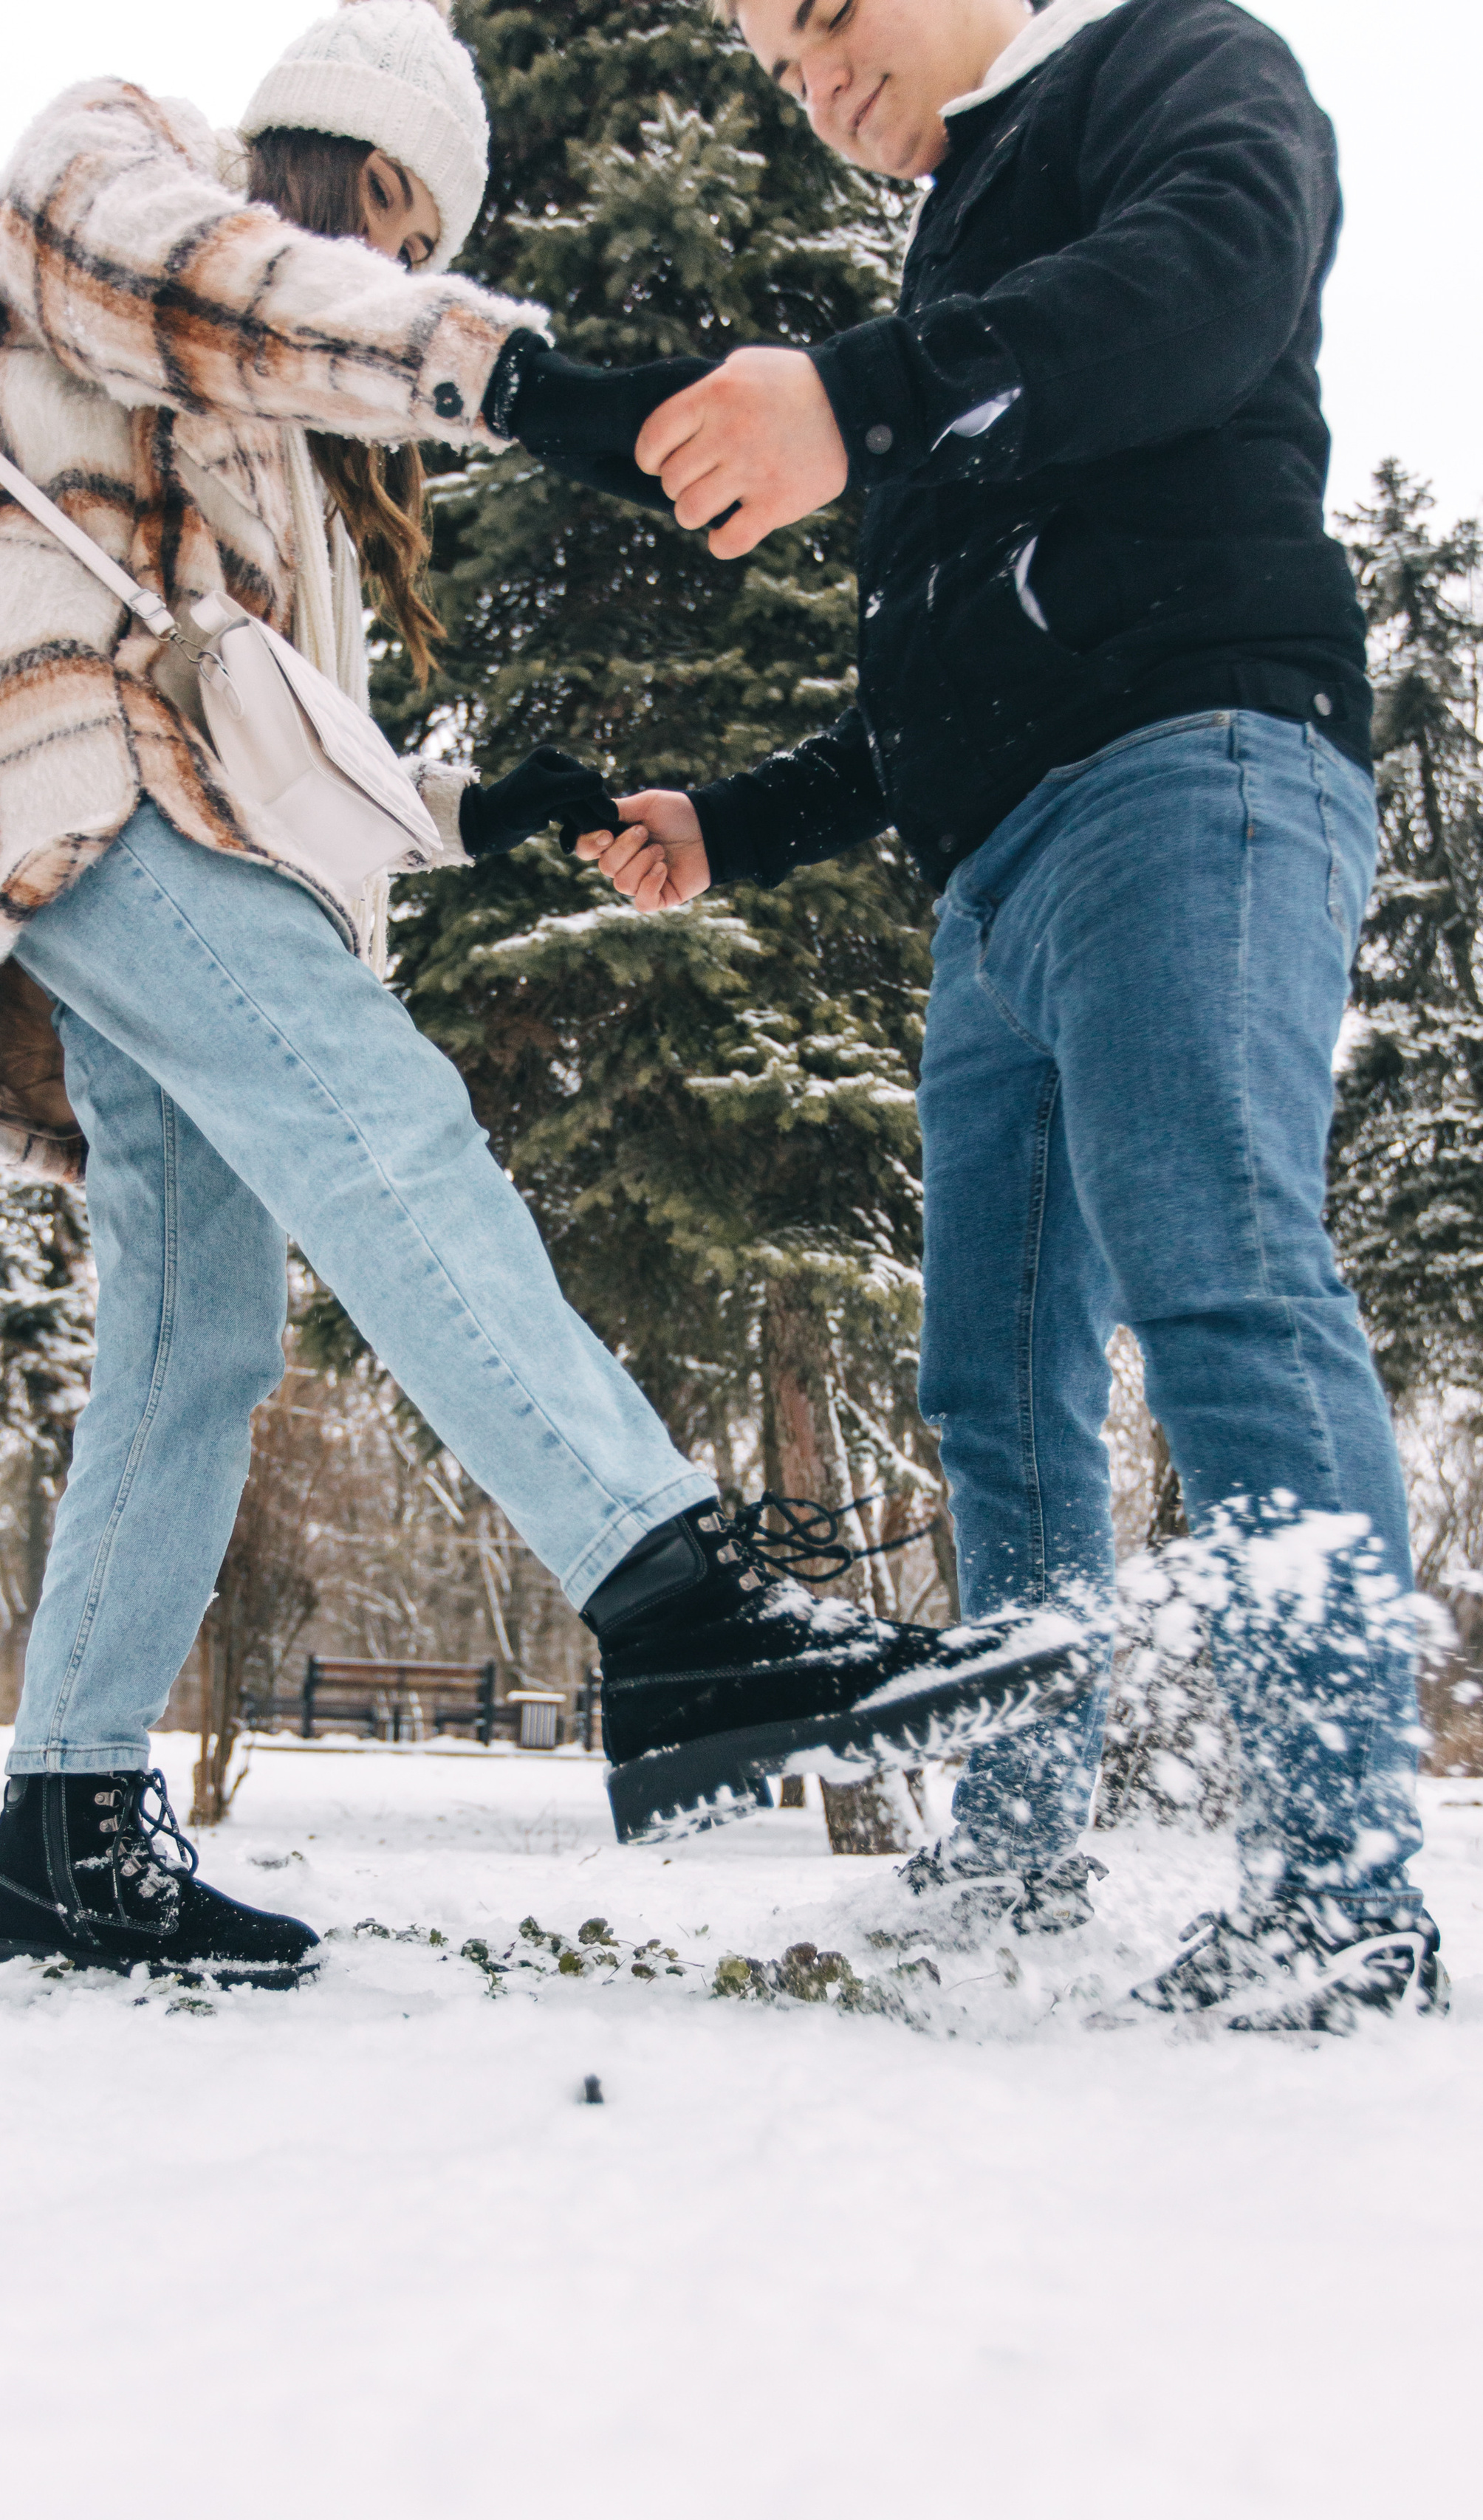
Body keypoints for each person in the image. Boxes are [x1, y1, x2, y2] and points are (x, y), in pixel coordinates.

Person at [0, 1, 1082, 1987]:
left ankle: (66, 1833)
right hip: (76, 775)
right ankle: (680, 1610)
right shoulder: (105, 159)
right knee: (381, 1128)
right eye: (397, 216)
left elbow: (284, 745)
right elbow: (222, 287)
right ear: (332, 148)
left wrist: (468, 808)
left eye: (432, 245)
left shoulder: (263, 450)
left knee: (193, 1341)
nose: (404, 269)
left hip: (143, 815)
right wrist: (524, 379)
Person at [493, 0, 1448, 2030]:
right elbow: (952, 656)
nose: (808, 76)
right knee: (995, 1381)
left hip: (1194, 777)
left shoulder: (1176, 65)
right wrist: (732, 830)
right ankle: (1015, 1860)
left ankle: (1341, 1890)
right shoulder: (949, 254)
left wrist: (854, 389)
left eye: (826, 13)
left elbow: (1208, 282)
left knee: (1222, 1276)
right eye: (771, 59)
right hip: (999, 879)